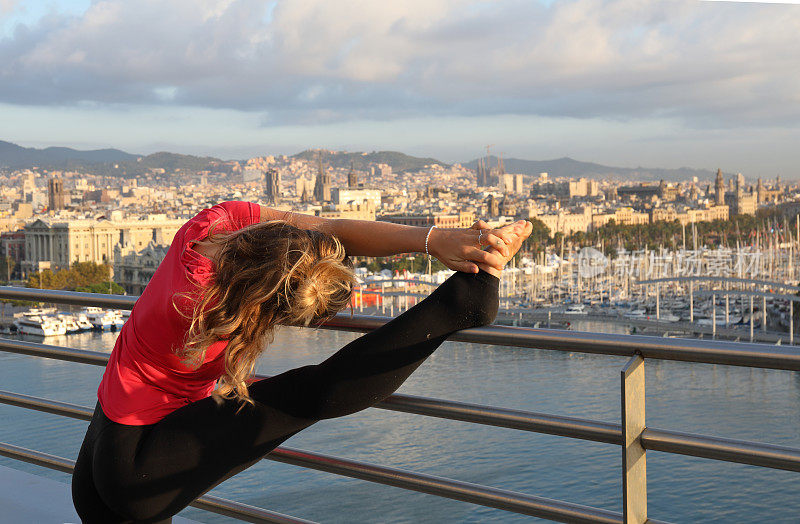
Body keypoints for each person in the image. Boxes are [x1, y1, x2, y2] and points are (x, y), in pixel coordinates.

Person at [71, 201, 532, 523]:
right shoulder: (208, 308)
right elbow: (330, 380)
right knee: (310, 392)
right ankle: (460, 306)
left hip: (104, 438)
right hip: (138, 469)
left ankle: (461, 303)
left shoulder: (215, 223)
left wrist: (437, 240)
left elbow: (330, 229)